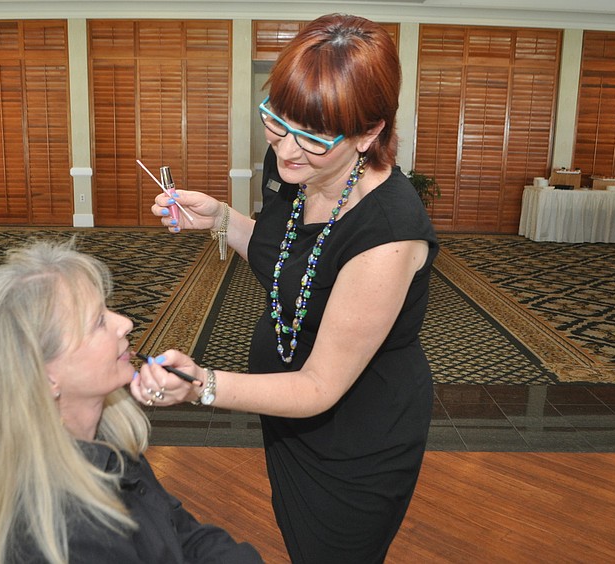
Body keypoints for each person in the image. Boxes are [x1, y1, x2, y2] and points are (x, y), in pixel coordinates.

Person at [137, 13, 439, 564]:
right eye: (277, 121)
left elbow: (321, 386)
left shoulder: (389, 233)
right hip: (287, 419)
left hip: (356, 438)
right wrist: (220, 219)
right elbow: (293, 260)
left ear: (370, 132)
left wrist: (202, 385)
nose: (287, 149)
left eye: (314, 136)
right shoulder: (295, 170)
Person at [0, 240, 262, 564]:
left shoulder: (107, 446)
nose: (125, 323)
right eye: (98, 322)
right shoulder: (67, 532)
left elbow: (183, 535)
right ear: (45, 379)